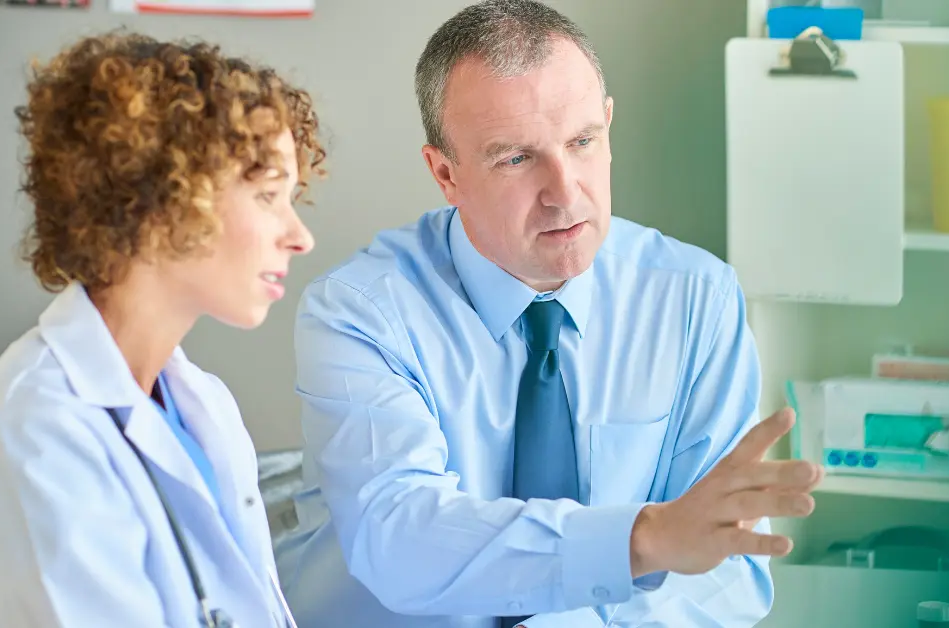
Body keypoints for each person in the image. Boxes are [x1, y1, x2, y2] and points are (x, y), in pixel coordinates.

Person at [276, 2, 821, 627]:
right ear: (446, 174)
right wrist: (642, 538)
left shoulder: (694, 298)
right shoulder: (362, 312)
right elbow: (401, 537)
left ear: (609, 126)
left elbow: (728, 566)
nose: (566, 192)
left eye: (583, 142)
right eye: (516, 158)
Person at [0, 31, 323, 627]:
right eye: (268, 196)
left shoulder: (204, 405)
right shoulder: (35, 431)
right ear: (160, 200)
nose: (300, 236)